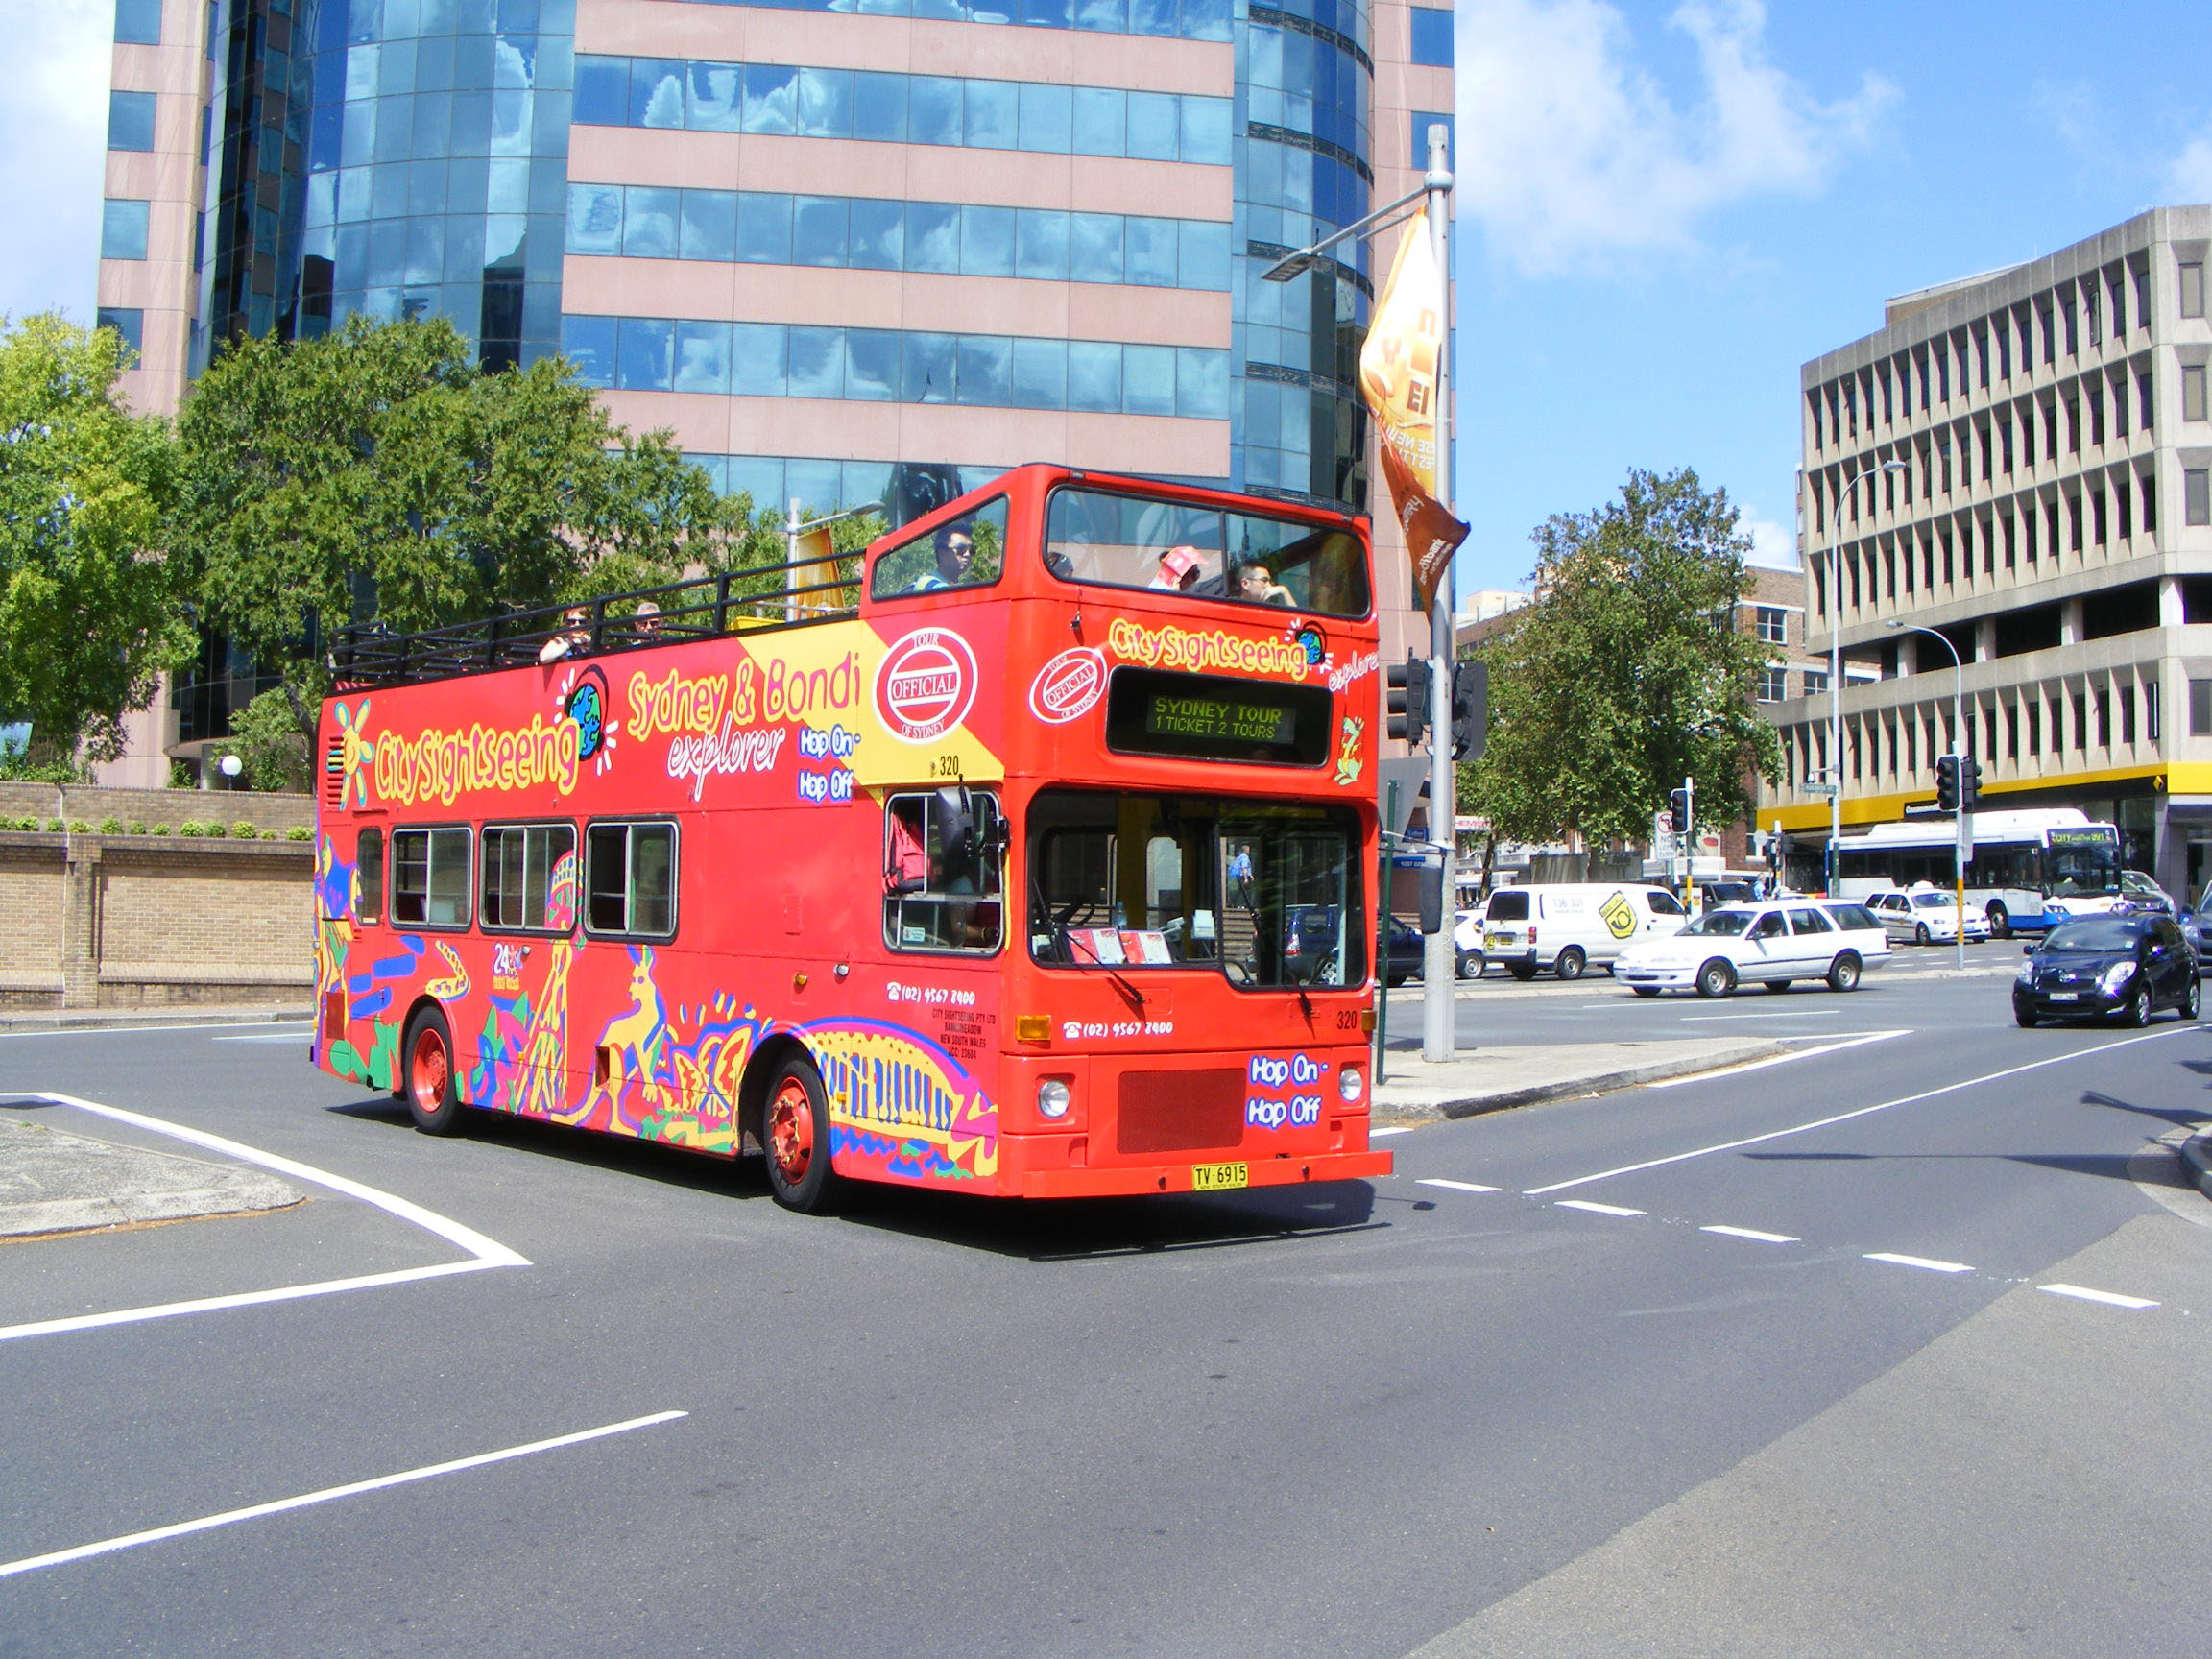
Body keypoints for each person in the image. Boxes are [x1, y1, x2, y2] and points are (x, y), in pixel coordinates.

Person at [908, 524, 976, 591]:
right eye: (960, 549)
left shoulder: (953, 584)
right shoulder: (926, 583)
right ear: (942, 553)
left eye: (971, 550)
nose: (967, 554)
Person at [1228, 844, 1254, 909]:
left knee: (1241, 890)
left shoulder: (1240, 857)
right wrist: (1246, 878)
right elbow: (1244, 868)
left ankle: (1231, 903)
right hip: (1243, 876)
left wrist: (1250, 874)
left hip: (1240, 876)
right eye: (1248, 849)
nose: (1249, 851)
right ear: (1246, 850)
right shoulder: (1245, 858)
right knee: (1245, 890)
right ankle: (1246, 904)